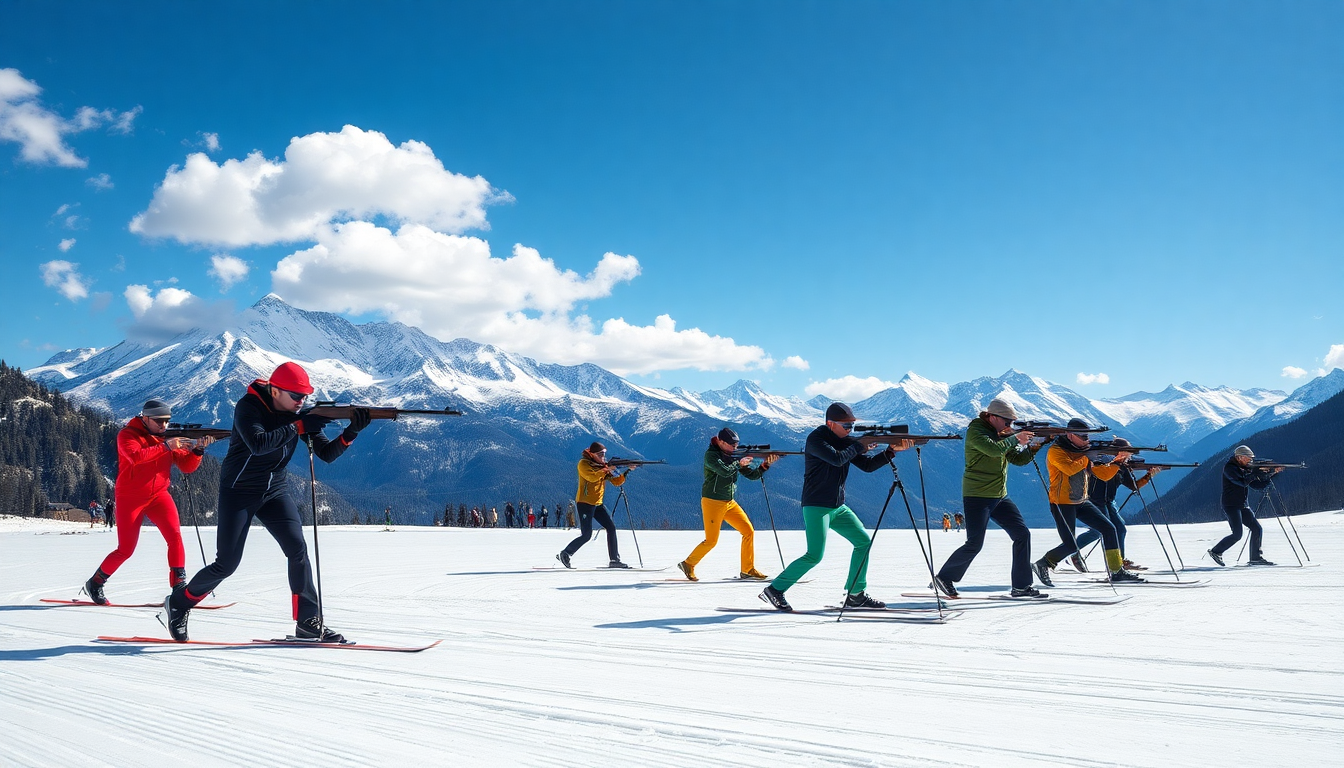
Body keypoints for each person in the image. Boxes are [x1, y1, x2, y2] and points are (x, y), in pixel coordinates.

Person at [164, 362, 371, 643]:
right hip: (239, 490)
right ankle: (179, 602)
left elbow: (326, 453)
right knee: (226, 564)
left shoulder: (297, 415)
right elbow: (258, 443)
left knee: (297, 549)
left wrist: (351, 433)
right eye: (296, 396)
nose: (301, 402)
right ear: (275, 391)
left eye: (305, 397)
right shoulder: (248, 407)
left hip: (275, 490)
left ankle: (308, 623)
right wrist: (299, 425)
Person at [760, 403, 912, 611]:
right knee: (814, 555)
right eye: (846, 426)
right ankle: (775, 589)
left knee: (863, 542)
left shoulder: (846, 442)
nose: (850, 430)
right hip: (816, 506)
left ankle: (856, 594)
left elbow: (867, 466)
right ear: (830, 423)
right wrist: (859, 445)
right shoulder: (816, 439)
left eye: (852, 426)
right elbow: (837, 459)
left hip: (838, 507)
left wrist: (890, 451)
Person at [84, 399, 215, 605]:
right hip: (130, 498)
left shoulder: (167, 438)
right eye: (159, 421)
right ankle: (95, 583)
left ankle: (179, 588)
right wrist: (166, 446)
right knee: (125, 549)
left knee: (175, 537)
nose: (164, 425)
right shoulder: (127, 435)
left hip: (159, 495)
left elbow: (186, 467)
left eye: (166, 421)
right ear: (145, 418)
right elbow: (135, 456)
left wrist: (198, 451)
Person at [932, 399, 1044, 599]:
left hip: (999, 496)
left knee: (1022, 534)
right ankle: (944, 577)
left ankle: (1021, 586)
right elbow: (993, 450)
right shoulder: (976, 431)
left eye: (1012, 422)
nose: (1009, 425)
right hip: (977, 495)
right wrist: (1016, 438)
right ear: (992, 417)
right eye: (1007, 422)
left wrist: (1036, 446)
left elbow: (1018, 460)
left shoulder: (1001, 435)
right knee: (975, 543)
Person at [1032, 419, 1141, 586]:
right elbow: (1069, 468)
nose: (1087, 440)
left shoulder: (1082, 451)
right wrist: (1086, 458)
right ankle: (1043, 563)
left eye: (1087, 436)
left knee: (1109, 529)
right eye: (1083, 436)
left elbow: (1102, 475)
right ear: (1070, 435)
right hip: (1062, 503)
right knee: (1071, 545)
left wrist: (1117, 462)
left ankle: (1116, 571)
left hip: (1081, 500)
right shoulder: (1056, 451)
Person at [678, 428, 777, 582]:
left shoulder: (731, 455)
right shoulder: (711, 455)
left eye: (736, 445)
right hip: (712, 501)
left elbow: (751, 476)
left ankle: (747, 570)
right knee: (711, 541)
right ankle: (688, 564)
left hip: (729, 502)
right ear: (721, 442)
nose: (735, 448)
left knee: (748, 531)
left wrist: (765, 466)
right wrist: (739, 463)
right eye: (732, 445)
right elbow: (724, 471)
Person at [1072, 438, 1161, 571]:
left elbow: (1133, 486)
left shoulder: (1122, 467)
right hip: (1094, 501)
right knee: (1099, 531)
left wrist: (1148, 475)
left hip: (1108, 501)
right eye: (1128, 452)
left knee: (1119, 528)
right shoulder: (1100, 462)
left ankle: (1120, 562)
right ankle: (1072, 551)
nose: (1130, 455)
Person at [556, 442, 636, 568]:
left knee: (611, 528)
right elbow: (592, 477)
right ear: (592, 454)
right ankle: (566, 553)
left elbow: (617, 482)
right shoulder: (583, 464)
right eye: (600, 454)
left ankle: (614, 560)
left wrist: (627, 471)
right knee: (586, 535)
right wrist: (606, 470)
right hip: (585, 503)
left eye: (603, 454)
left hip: (597, 503)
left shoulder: (602, 466)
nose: (603, 457)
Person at [1208, 445, 1281, 566]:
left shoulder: (1244, 468)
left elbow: (1256, 485)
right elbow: (1241, 482)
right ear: (1240, 457)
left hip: (1242, 504)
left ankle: (1255, 558)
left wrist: (1271, 474)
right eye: (1248, 458)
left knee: (1257, 529)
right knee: (1237, 534)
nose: (1250, 460)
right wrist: (1256, 474)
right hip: (1231, 505)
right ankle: (1216, 551)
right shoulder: (1230, 468)